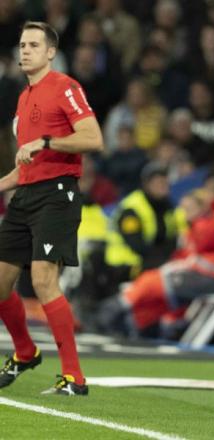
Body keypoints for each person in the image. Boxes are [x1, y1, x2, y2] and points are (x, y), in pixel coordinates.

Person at [0, 21, 103, 395]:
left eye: (33, 45)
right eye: (22, 44)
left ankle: (74, 377)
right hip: (25, 197)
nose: (24, 50)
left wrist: (46, 140)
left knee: (43, 280)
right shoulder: (24, 97)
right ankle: (26, 352)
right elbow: (26, 166)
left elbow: (93, 137)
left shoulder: (65, 86)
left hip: (57, 195)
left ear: (50, 52)